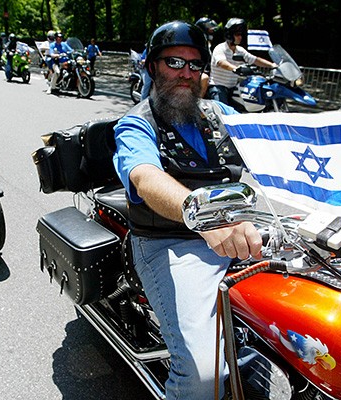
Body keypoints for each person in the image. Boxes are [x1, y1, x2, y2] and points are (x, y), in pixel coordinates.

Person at [112, 21, 262, 399]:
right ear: (152, 67)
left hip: (238, 234)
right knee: (202, 376)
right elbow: (145, 178)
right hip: (170, 242)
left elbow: (274, 141)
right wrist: (204, 215)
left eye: (195, 65)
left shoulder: (219, 113)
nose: (186, 73)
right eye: (174, 62)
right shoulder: (136, 123)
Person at [208, 18, 277, 107]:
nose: (240, 37)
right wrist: (235, 68)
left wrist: (272, 65)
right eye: (237, 34)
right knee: (223, 110)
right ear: (229, 35)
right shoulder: (220, 48)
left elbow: (255, 60)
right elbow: (221, 62)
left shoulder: (240, 50)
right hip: (218, 87)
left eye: (241, 35)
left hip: (234, 88)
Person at [195, 17, 219, 98]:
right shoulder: (197, 43)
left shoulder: (207, 44)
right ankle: (198, 101)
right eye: (209, 29)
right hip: (197, 71)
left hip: (208, 72)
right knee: (205, 78)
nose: (212, 31)